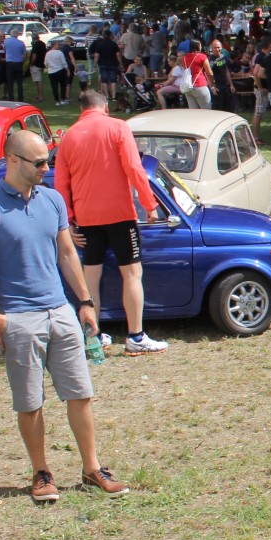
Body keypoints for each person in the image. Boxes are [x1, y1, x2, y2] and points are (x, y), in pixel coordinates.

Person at [0, 129, 131, 502]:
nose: (46, 167)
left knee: (81, 393)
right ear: (12, 161)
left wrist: (85, 302)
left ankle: (92, 469)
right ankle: (41, 473)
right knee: (30, 401)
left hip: (60, 310)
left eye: (47, 161)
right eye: (39, 162)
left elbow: (67, 254)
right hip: (19, 318)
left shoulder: (53, 199)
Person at [54, 90, 166, 355]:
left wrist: (67, 220)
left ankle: (94, 335)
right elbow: (133, 167)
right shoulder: (117, 127)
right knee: (132, 273)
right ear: (104, 107)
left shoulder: (69, 136)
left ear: (82, 109)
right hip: (119, 215)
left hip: (85, 217)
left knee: (91, 276)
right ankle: (136, 336)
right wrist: (150, 204)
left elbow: (61, 183)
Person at [178, 43, 214, 109]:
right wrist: (212, 83)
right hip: (200, 85)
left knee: (194, 113)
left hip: (188, 87)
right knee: (206, 112)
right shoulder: (202, 56)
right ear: (198, 46)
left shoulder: (185, 58)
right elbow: (209, 72)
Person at [91, 28, 123, 101]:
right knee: (113, 80)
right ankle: (114, 96)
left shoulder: (100, 44)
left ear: (103, 36)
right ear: (110, 36)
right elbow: (118, 55)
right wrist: (120, 64)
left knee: (104, 80)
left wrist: (94, 65)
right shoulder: (114, 44)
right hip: (113, 63)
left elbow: (96, 55)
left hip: (102, 64)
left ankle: (107, 96)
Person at [207, 39, 235, 112]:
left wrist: (231, 84)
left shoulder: (224, 57)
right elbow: (208, 75)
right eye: (215, 47)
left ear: (221, 47)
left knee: (227, 108)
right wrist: (212, 87)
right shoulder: (210, 60)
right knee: (217, 109)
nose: (217, 49)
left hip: (225, 86)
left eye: (218, 47)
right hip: (216, 87)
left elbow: (226, 71)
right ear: (212, 48)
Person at [43, 37, 72, 106]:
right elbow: (64, 63)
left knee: (54, 86)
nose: (59, 46)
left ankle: (56, 101)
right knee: (62, 85)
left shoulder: (48, 54)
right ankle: (62, 99)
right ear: (55, 45)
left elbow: (45, 63)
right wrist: (67, 70)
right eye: (58, 44)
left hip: (51, 72)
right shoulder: (59, 53)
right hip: (60, 70)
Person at [2, 29, 28, 103]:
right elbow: (25, 54)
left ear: (11, 34)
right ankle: (20, 97)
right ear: (17, 35)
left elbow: (5, 50)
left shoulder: (6, 41)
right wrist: (22, 60)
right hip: (18, 63)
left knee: (10, 81)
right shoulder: (21, 43)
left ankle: (11, 97)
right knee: (19, 81)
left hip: (10, 63)